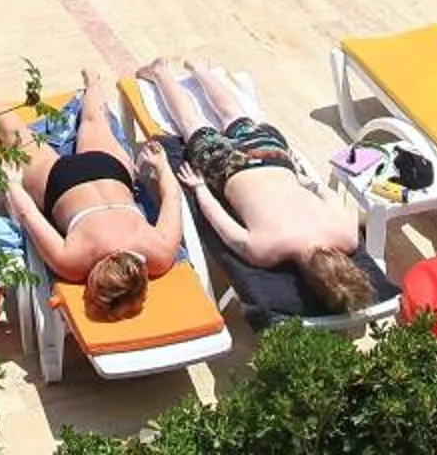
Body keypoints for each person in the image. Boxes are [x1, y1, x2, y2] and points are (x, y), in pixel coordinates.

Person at [146, 57, 374, 315]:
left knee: (235, 115)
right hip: (228, 168)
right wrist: (199, 187)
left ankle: (201, 70)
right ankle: (161, 72)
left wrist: (304, 179)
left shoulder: (348, 234)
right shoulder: (266, 250)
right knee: (192, 124)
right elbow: (218, 220)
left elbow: (327, 193)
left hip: (272, 157)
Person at [0, 73, 185, 322]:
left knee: (93, 120)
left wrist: (161, 166)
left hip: (111, 172)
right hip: (62, 184)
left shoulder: (160, 254)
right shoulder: (74, 265)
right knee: (18, 136)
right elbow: (28, 215)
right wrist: (13, 183)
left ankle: (92, 83)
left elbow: (172, 199)